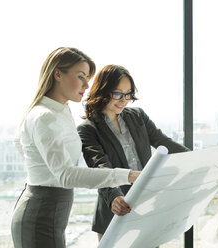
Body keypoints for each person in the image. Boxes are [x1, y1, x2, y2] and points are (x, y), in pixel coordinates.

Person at [11, 48, 140, 248]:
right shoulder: (44, 116)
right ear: (58, 74)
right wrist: (129, 175)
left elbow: (23, 147)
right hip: (41, 215)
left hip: (51, 212)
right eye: (81, 77)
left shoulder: (60, 111)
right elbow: (66, 176)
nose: (87, 85)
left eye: (87, 78)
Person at [77, 64, 190, 241]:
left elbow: (164, 143)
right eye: (117, 93)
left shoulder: (137, 116)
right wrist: (114, 197)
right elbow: (100, 167)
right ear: (103, 91)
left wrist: (202, 160)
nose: (123, 100)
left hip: (147, 207)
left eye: (128, 94)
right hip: (115, 211)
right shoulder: (88, 129)